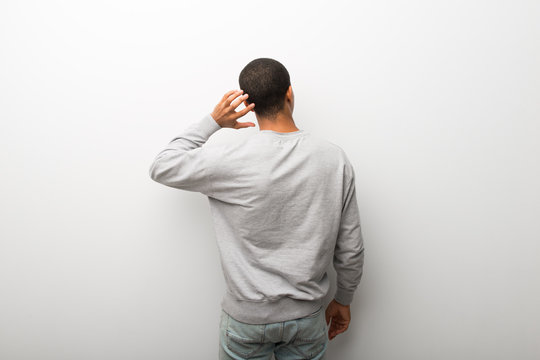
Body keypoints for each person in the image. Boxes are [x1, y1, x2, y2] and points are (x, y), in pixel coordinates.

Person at [149, 58, 365, 359]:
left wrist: (213, 121)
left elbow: (162, 166)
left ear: (248, 104)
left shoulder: (227, 160)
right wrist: (344, 299)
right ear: (289, 93)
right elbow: (351, 246)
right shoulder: (334, 159)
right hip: (307, 317)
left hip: (246, 321)